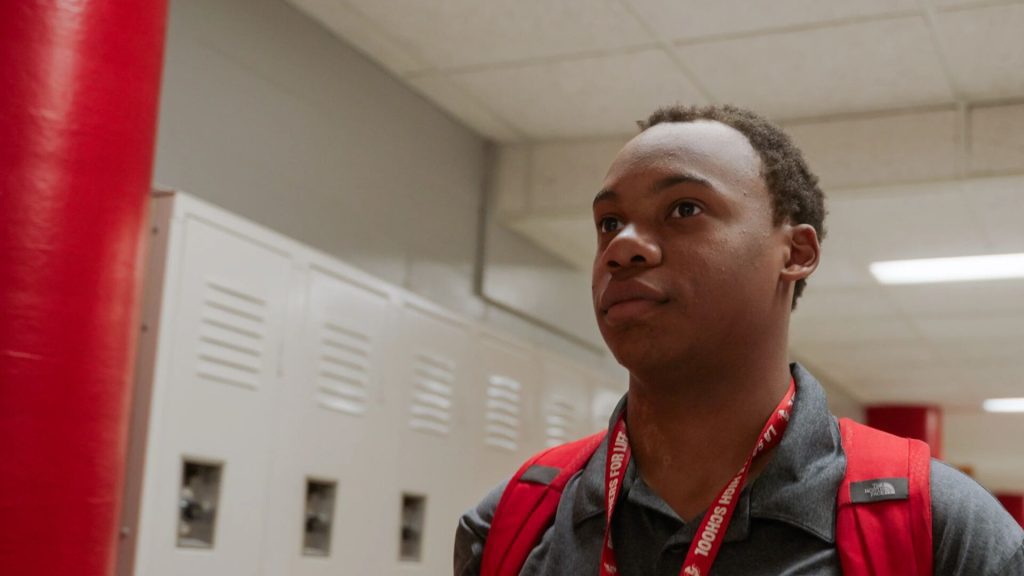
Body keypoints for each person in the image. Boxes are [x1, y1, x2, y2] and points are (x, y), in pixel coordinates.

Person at [454, 105, 1024, 575]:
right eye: (609, 222)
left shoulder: (937, 527)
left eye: (684, 209)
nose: (622, 246)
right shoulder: (514, 521)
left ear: (795, 254)